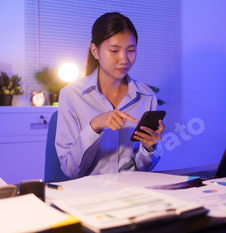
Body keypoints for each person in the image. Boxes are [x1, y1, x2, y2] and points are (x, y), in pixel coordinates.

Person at [55, 12, 165, 179]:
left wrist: (149, 147)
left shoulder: (146, 97)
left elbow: (142, 171)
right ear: (95, 51)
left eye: (131, 50)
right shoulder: (71, 95)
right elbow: (70, 169)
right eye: (114, 50)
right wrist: (94, 126)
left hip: (133, 193)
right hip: (90, 196)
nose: (124, 59)